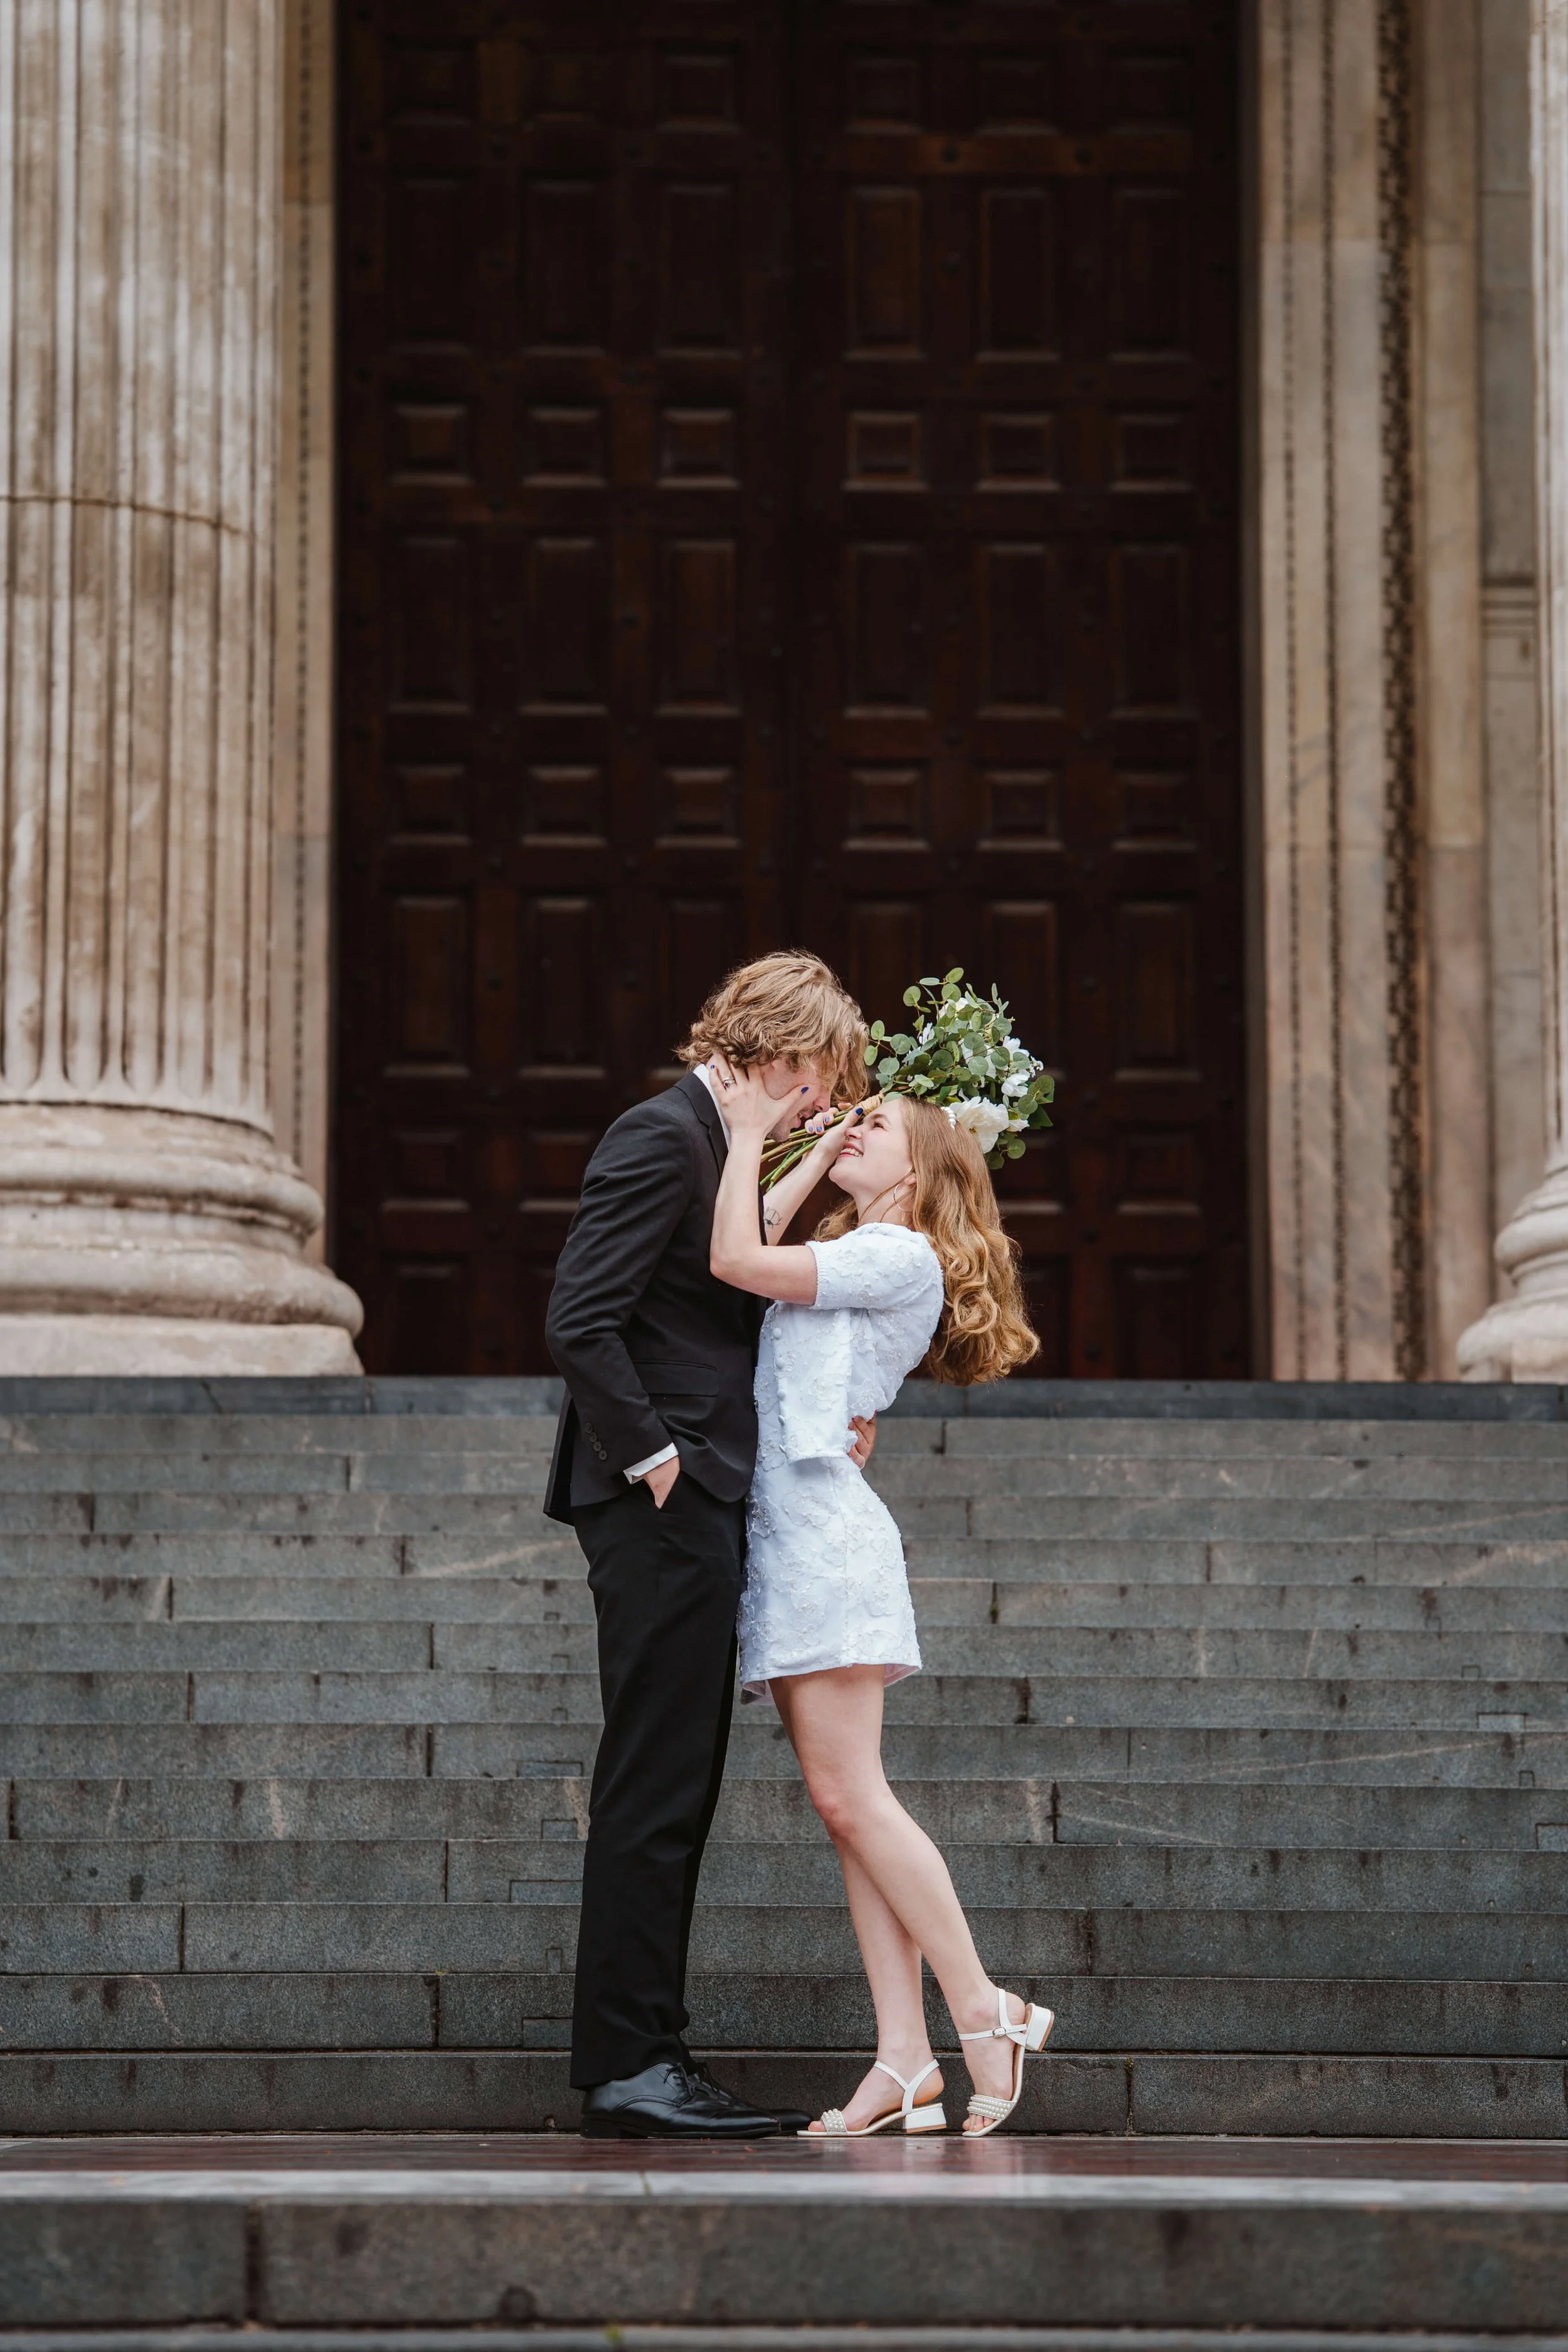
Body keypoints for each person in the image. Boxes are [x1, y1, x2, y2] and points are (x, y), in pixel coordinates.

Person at [543, 951, 871, 2139]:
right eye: (816, 1078)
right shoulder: (656, 1133)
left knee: (675, 1778)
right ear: (775, 1053)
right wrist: (659, 1461)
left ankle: (646, 2051)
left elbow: (712, 1295)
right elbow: (581, 1317)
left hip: (694, 1497)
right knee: (657, 1780)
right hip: (659, 1501)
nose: (819, 1101)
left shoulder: (715, 1143)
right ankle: (632, 2066)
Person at [707, 1057, 1047, 2137]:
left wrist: (766, 1129)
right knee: (843, 1806)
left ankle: (982, 2005)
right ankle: (905, 2056)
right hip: (794, 1539)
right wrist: (812, 1148)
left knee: (857, 1798)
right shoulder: (855, 1247)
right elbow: (757, 1227)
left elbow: (729, 1254)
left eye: (876, 1124)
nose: (852, 1129)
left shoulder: (896, 1253)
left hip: (830, 1547)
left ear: (929, 1163)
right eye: (851, 1119)